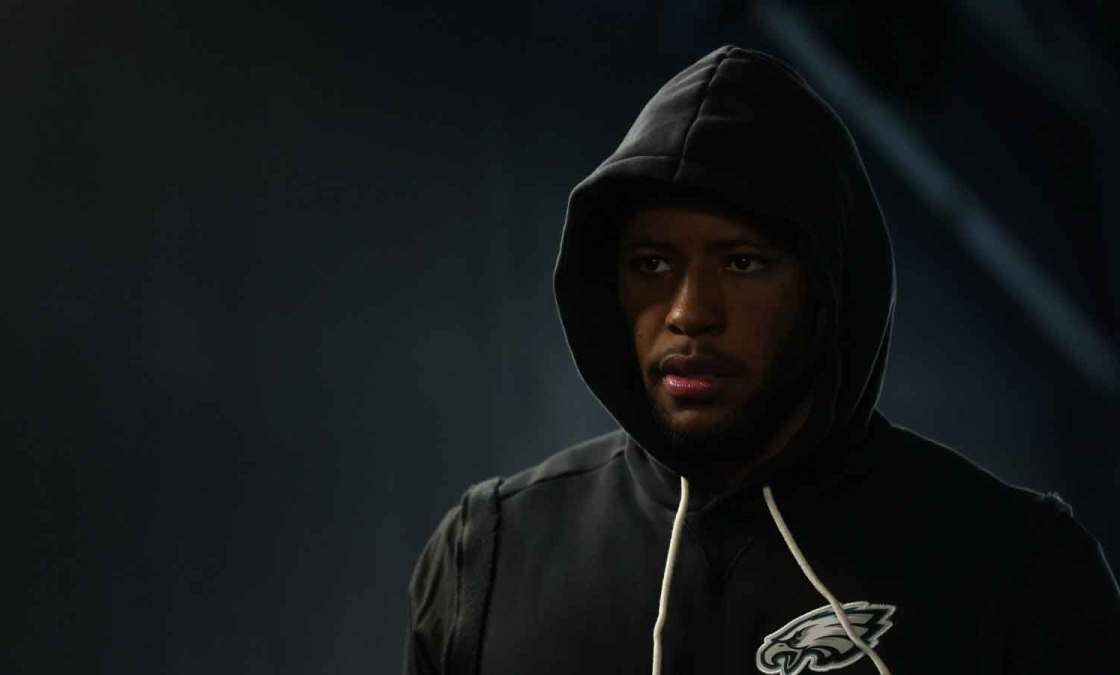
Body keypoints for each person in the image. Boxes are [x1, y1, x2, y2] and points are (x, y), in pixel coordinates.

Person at [401, 45, 1120, 675]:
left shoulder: (1020, 573)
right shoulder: (487, 559)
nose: (689, 311)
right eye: (651, 263)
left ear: (829, 290)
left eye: (743, 262)